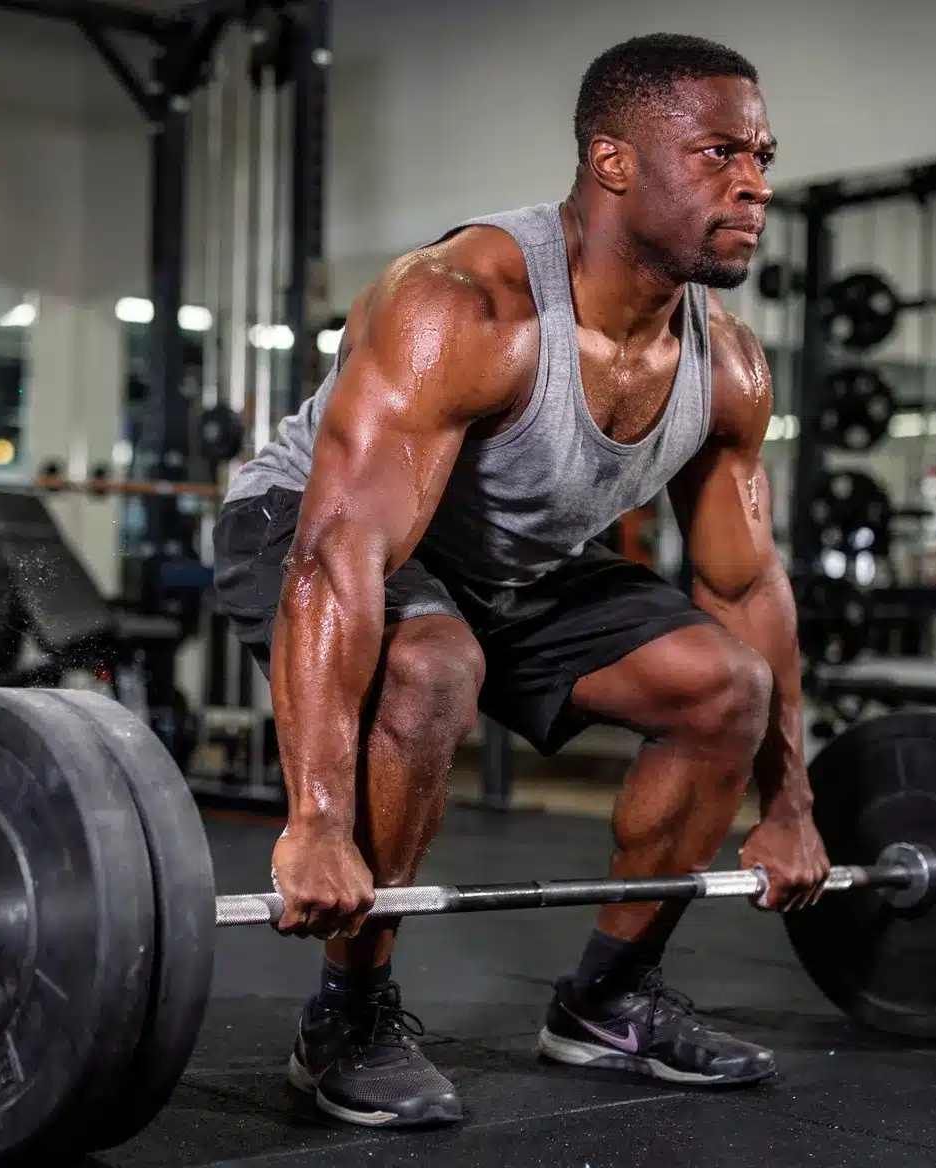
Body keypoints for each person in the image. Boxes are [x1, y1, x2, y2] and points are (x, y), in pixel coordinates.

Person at [210, 32, 830, 1129]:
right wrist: (313, 817)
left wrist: (789, 800)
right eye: (719, 153)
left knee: (718, 686)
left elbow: (744, 587)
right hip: (308, 525)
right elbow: (337, 552)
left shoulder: (725, 362)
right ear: (613, 163)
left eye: (761, 155)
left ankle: (606, 1000)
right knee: (432, 663)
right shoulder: (462, 304)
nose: (755, 183)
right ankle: (347, 1013)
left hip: (508, 559)